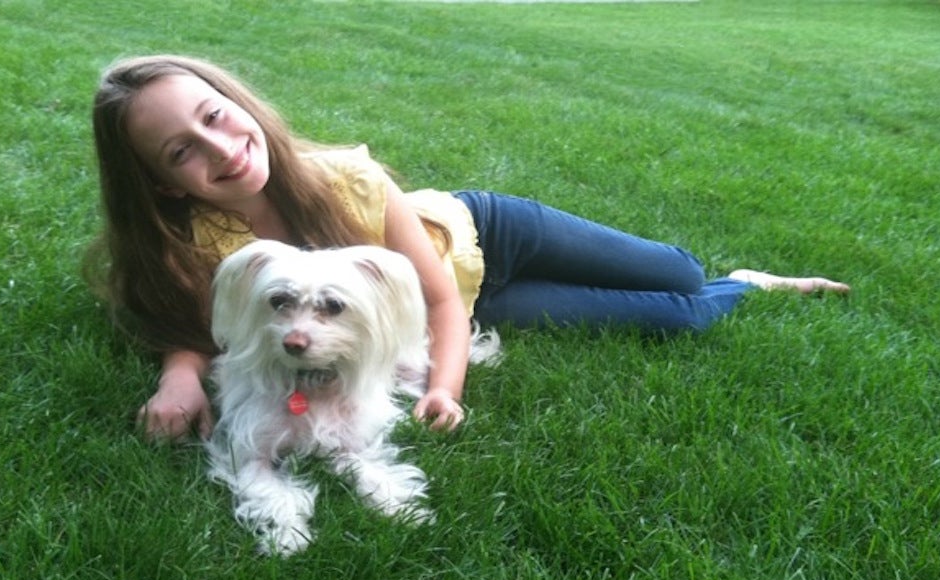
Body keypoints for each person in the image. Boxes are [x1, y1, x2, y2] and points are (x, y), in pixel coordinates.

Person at [86, 55, 849, 444]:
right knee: (684, 316)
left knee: (677, 272)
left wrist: (446, 388)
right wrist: (180, 377)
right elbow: (196, 326)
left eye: (217, 116)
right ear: (162, 187)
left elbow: (441, 297)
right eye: (182, 153)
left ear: (239, 103)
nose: (220, 147)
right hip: (491, 299)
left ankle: (717, 275)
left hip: (485, 234)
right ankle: (746, 284)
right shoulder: (207, 247)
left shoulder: (345, 175)